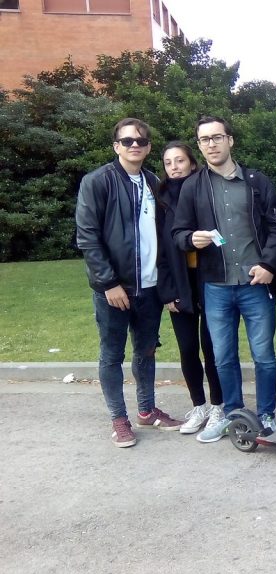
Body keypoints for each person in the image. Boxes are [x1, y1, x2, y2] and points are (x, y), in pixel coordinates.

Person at [172, 115, 276, 442]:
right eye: (204, 139)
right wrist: (189, 239)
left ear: (230, 140)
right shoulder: (193, 186)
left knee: (264, 356)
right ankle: (234, 414)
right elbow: (178, 231)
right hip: (215, 287)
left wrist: (268, 264)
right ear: (199, 145)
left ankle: (266, 415)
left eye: (217, 137)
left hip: (256, 284)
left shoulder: (256, 181)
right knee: (223, 357)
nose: (211, 144)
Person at [75, 117, 182, 447]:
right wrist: (108, 283)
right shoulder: (98, 182)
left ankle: (147, 410)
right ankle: (118, 419)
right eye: (127, 141)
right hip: (114, 289)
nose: (134, 145)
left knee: (146, 351)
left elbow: (162, 236)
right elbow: (88, 237)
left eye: (140, 141)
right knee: (111, 355)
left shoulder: (153, 182)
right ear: (116, 146)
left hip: (148, 288)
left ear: (148, 147)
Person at [156, 141, 222, 435]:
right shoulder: (160, 201)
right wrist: (167, 292)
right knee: (187, 348)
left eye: (180, 161)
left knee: (212, 347)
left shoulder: (205, 192)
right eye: (169, 163)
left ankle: (219, 406)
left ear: (192, 163)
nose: (174, 167)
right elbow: (158, 249)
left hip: (209, 280)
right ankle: (199, 405)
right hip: (179, 284)